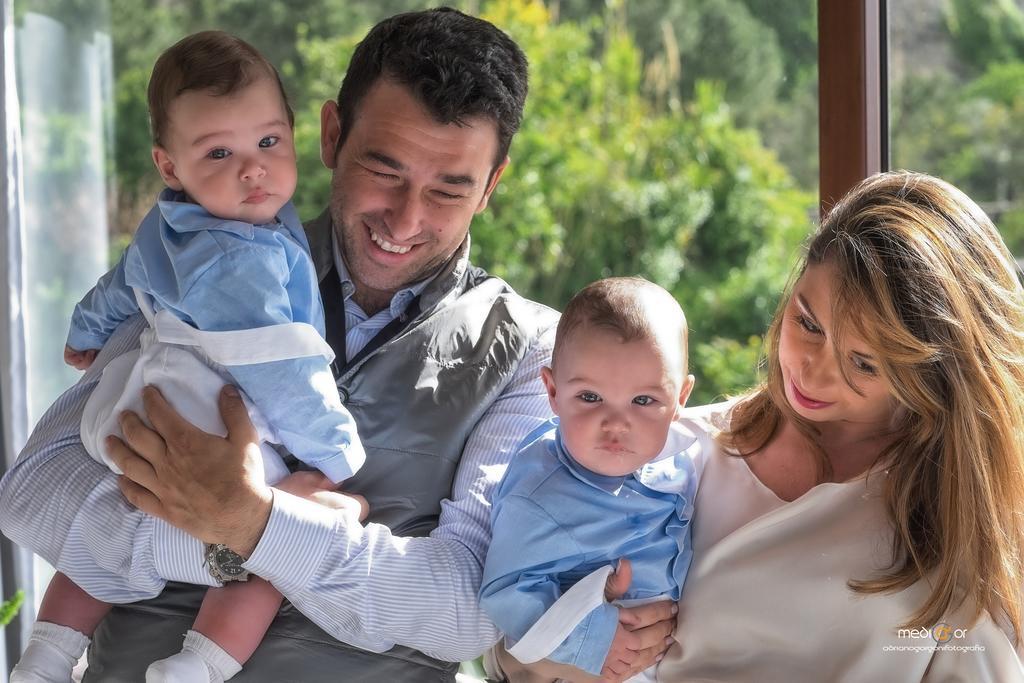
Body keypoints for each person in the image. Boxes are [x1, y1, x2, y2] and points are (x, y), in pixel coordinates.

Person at [0, 8, 676, 683]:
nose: (406, 219)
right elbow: (33, 489)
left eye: (449, 188)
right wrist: (218, 547)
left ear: (492, 186)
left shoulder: (540, 355)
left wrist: (256, 524)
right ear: (330, 135)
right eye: (385, 171)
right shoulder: (208, 260)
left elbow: (468, 605)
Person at [490, 171, 1024, 682]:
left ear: (935, 374)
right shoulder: (669, 449)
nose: (811, 368)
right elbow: (511, 631)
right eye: (807, 323)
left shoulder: (960, 518)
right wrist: (573, 649)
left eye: (864, 362)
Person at [11, 30, 370, 683]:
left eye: (267, 142)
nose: (252, 169)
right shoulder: (247, 261)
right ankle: (198, 664)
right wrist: (334, 455)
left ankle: (48, 653)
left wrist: (85, 332)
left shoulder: (167, 220)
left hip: (133, 415)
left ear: (291, 134)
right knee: (278, 545)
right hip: (208, 429)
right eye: (218, 152)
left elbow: (118, 285)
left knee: (97, 547)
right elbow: (284, 371)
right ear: (169, 164)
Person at [479, 277, 696, 682]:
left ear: (680, 401)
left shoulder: (681, 459)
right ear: (552, 391)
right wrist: (594, 641)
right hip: (570, 665)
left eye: (644, 401)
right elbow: (505, 593)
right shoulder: (541, 494)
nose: (616, 423)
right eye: (590, 397)